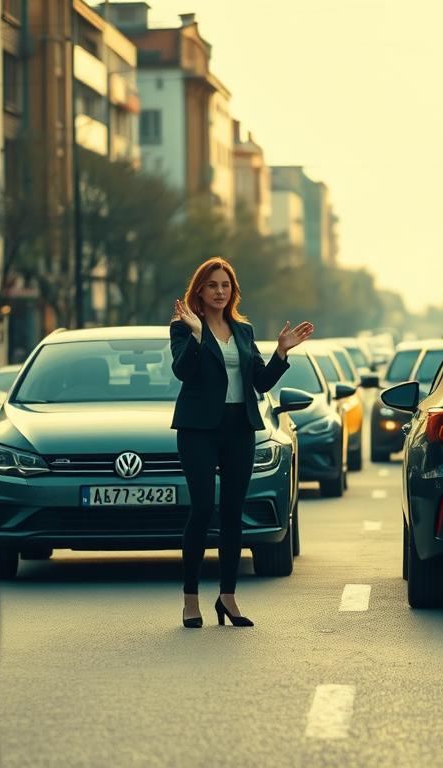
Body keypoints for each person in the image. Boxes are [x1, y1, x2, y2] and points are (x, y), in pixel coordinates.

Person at [169, 257, 314, 628]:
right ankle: (190, 599)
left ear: (232, 291)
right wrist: (198, 336)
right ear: (200, 290)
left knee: (233, 513)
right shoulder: (184, 327)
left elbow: (260, 383)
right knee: (202, 509)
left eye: (226, 285)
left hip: (239, 427)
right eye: (212, 285)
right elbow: (183, 372)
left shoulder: (244, 331)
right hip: (198, 429)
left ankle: (228, 597)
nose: (220, 291)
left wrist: (281, 352)